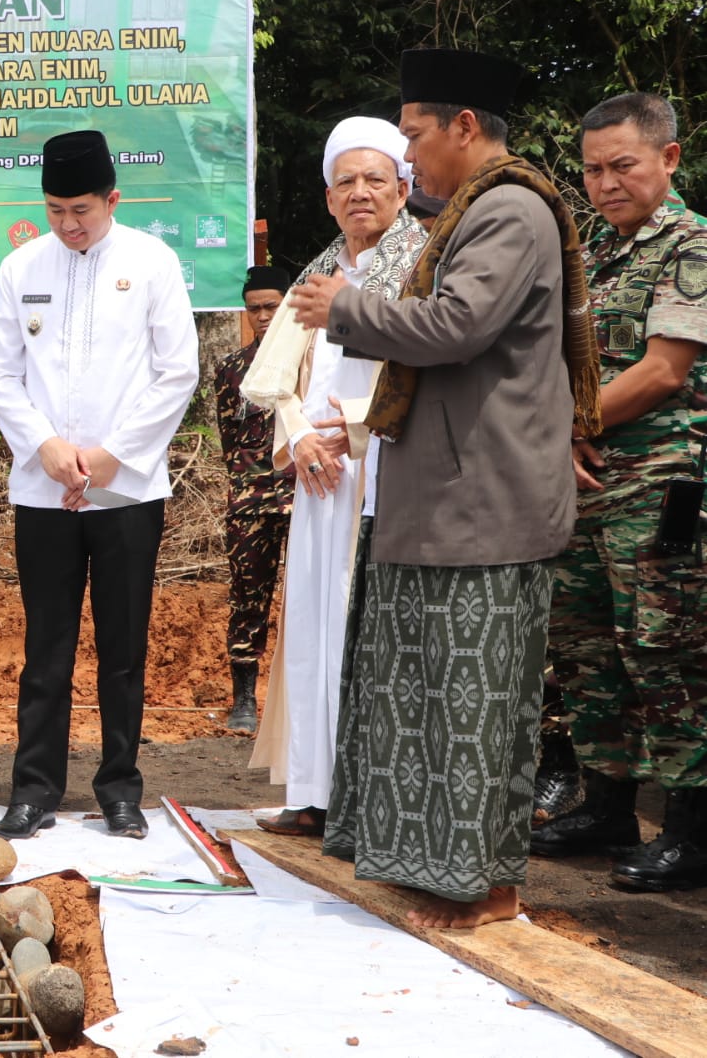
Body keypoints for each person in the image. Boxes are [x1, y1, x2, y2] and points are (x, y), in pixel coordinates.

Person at [291, 48, 601, 928]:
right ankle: (429, 867)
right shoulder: (466, 208)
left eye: (416, 137)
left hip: (485, 504)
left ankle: (483, 887)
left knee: (476, 708)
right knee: (423, 697)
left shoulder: (507, 210)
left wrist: (343, 309)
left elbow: (457, 324)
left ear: (465, 126)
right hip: (444, 497)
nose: (408, 159)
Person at [0, 129, 201, 841]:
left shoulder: (152, 261)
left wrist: (112, 457)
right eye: (54, 210)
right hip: (42, 490)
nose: (69, 225)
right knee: (45, 650)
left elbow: (177, 372)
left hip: (125, 491)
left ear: (112, 199)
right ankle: (34, 790)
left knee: (123, 649)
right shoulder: (20, 267)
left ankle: (119, 790)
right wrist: (44, 447)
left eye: (81, 210)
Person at [532, 92, 707, 892]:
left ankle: (690, 827)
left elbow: (664, 370)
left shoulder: (691, 246)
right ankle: (605, 802)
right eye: (592, 170)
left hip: (660, 484)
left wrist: (568, 427)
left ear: (667, 160)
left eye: (622, 166)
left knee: (662, 649)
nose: (604, 184)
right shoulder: (594, 255)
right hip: (586, 487)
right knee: (586, 647)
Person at [247, 117, 427, 837]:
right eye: (345, 182)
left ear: (403, 189)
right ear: (327, 200)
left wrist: (350, 430)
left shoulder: (424, 269)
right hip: (319, 485)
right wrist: (300, 439)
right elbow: (275, 382)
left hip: (390, 476)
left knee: (370, 635)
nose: (359, 194)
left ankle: (368, 800)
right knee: (315, 634)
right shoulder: (316, 277)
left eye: (374, 180)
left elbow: (427, 368)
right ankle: (315, 791)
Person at [214, 265, 295, 733]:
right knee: (248, 596)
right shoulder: (232, 369)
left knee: (307, 598)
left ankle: (298, 699)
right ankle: (243, 700)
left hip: (304, 495)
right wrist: (246, 484)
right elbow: (230, 441)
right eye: (254, 309)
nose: (263, 316)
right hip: (250, 500)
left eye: (271, 307)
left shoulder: (312, 360)